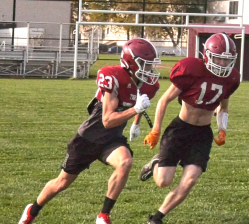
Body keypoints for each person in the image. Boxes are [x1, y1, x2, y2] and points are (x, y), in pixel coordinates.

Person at [18, 38, 161, 224]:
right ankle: (32, 211)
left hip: (112, 139)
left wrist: (136, 123)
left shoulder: (148, 85)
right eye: (145, 64)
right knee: (61, 183)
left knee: (125, 162)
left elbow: (139, 102)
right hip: (88, 138)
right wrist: (135, 110)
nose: (149, 69)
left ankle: (103, 216)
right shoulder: (114, 77)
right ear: (130, 62)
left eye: (150, 65)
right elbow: (108, 120)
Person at [140, 33, 240, 224]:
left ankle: (157, 218)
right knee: (163, 181)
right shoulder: (192, 68)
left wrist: (222, 128)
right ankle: (155, 163)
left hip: (203, 134)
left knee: (190, 180)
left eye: (227, 60)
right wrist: (156, 130)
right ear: (207, 55)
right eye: (218, 58)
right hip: (180, 129)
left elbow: (223, 107)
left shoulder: (231, 78)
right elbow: (164, 100)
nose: (222, 63)